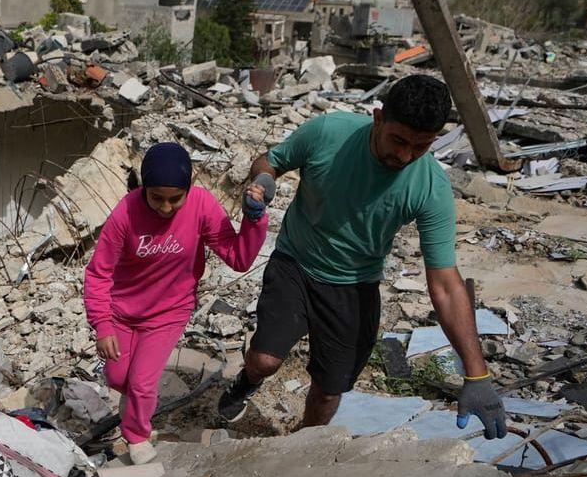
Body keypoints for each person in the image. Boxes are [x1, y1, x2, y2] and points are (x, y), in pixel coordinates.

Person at [215, 74, 507, 439]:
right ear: (378, 118)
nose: (404, 156)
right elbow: (270, 160)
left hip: (355, 285)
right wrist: (265, 180)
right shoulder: (328, 133)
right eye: (398, 140)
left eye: (420, 147)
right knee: (264, 360)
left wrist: (476, 374)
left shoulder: (430, 186)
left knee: (329, 390)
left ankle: (303, 443)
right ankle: (246, 381)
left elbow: (446, 284)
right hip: (296, 262)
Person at [84, 142, 269, 464]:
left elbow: (238, 258)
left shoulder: (202, 206)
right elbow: (98, 274)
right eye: (157, 198)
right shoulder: (125, 213)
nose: (166, 208)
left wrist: (254, 221)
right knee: (118, 378)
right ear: (144, 189)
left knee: (142, 382)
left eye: (175, 199)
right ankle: (133, 413)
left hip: (170, 311)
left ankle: (137, 437)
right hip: (122, 312)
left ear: (189, 189)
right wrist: (103, 325)